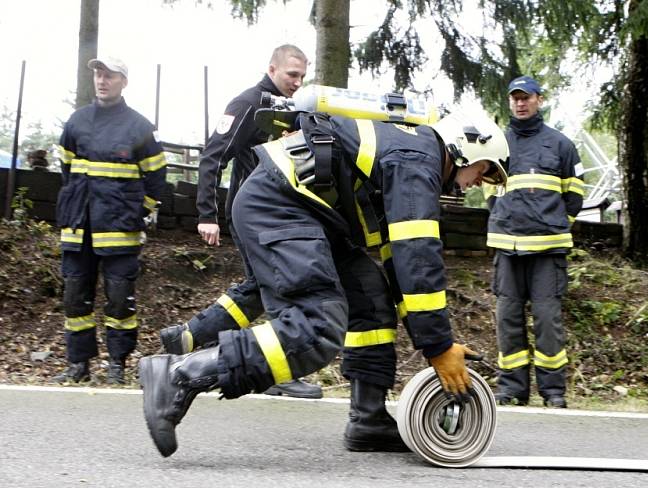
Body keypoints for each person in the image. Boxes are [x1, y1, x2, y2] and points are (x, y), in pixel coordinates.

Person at [138, 108, 510, 458]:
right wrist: (438, 345)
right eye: (484, 170)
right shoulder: (418, 161)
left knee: (370, 298)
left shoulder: (409, 155)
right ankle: (180, 375)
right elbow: (418, 255)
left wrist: (433, 342)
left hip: (305, 212)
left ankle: (369, 419)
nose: (479, 182)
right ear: (467, 146)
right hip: (279, 204)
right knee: (318, 324)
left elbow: (400, 266)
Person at [158, 44, 321, 399]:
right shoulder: (248, 104)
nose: (297, 82)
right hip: (254, 215)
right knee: (280, 286)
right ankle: (280, 370)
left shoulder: (291, 109)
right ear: (272, 69)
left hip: (280, 215)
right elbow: (212, 157)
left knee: (261, 287)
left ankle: (187, 337)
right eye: (292, 74)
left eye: (302, 77)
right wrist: (206, 215)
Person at [52, 56, 166, 385]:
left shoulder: (139, 127)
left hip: (119, 231)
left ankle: (117, 364)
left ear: (123, 81)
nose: (102, 80)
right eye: (99, 74)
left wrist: (137, 212)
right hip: (78, 227)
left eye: (110, 75)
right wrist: (76, 204)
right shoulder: (76, 122)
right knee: (75, 297)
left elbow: (157, 179)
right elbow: (67, 171)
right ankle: (78, 365)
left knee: (119, 300)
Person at [486, 76, 584, 408]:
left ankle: (553, 392)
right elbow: (490, 192)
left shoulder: (561, 145)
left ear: (539, 100)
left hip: (547, 250)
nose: (520, 103)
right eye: (515, 98)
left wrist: (554, 225)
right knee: (507, 319)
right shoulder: (497, 144)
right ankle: (512, 389)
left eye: (526, 97)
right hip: (508, 248)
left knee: (547, 322)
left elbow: (575, 195)